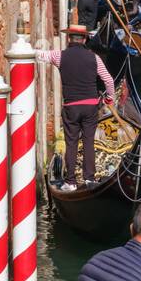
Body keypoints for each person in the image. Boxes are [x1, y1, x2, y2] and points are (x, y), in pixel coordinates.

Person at [36, 25, 117, 191]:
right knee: (88, 141)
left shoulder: (59, 56)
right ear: (85, 39)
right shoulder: (94, 58)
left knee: (71, 143)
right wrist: (109, 99)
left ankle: (71, 182)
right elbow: (109, 81)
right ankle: (89, 179)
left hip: (71, 107)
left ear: (69, 39)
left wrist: (27, 49)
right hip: (90, 107)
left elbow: (40, 56)